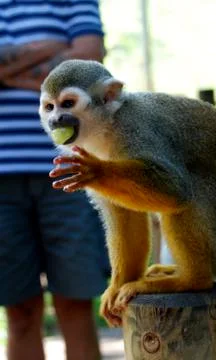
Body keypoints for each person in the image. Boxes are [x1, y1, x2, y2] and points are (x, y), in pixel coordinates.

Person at [0, 1, 109, 359]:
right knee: (19, 313)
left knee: (77, 306)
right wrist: (56, 53)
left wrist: (9, 69)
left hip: (73, 170)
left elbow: (88, 69)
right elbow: (72, 80)